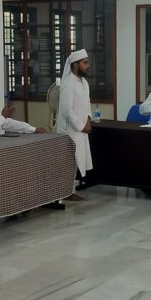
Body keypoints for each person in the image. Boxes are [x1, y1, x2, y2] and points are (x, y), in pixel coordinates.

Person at [56, 49, 92, 200]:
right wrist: (81, 126)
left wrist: (88, 120)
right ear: (75, 64)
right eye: (85, 63)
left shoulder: (84, 82)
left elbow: (87, 103)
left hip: (81, 130)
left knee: (77, 161)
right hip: (69, 131)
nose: (88, 66)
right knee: (68, 162)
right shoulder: (68, 84)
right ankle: (66, 192)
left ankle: (71, 190)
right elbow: (67, 110)